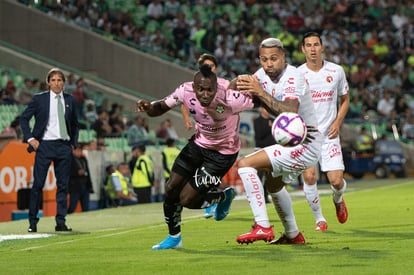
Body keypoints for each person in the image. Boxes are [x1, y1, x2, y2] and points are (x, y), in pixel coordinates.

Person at [135, 64, 257, 250]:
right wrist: (148, 107)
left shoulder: (231, 97)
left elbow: (260, 101)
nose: (205, 94)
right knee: (171, 188)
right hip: (198, 145)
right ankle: (174, 237)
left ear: (217, 87)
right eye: (201, 89)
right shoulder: (185, 91)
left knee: (187, 199)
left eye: (210, 90)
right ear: (194, 87)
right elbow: (159, 107)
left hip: (222, 154)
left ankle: (221, 198)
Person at [234, 38, 323, 245]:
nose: (269, 64)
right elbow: (238, 89)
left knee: (245, 165)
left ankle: (263, 226)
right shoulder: (260, 76)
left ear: (283, 57)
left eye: (274, 58)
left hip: (306, 143)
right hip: (292, 143)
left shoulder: (294, 76)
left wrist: (259, 93)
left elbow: (290, 111)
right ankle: (293, 235)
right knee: (273, 184)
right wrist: (231, 87)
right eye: (264, 59)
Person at [298, 31, 350, 232]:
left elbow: (345, 99)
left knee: (336, 182)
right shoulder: (297, 74)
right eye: (308, 45)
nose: (312, 49)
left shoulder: (336, 71)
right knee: (310, 177)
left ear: (322, 47)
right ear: (303, 49)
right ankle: (319, 219)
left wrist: (338, 122)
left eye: (316, 44)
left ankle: (338, 199)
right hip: (307, 137)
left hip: (330, 136)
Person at [20, 68, 79, 233]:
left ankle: (61, 222)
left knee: (62, 186)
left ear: (64, 83)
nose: (56, 83)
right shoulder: (40, 99)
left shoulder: (70, 100)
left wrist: (73, 143)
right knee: (38, 185)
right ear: (48, 83)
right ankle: (33, 222)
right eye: (53, 80)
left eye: (59, 80)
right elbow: (24, 118)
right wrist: (31, 139)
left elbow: (75, 124)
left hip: (63, 147)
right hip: (44, 146)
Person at [68, 145, 94, 213]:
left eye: (81, 150)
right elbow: (67, 173)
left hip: (85, 185)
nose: (80, 152)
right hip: (75, 186)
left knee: (86, 207)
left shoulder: (84, 159)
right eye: (78, 150)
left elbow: (88, 172)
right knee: (72, 206)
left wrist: (90, 186)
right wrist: (76, 173)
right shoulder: (69, 160)